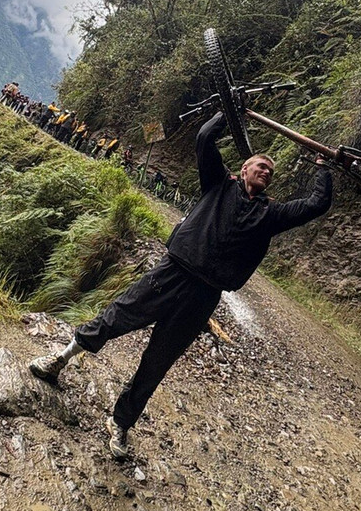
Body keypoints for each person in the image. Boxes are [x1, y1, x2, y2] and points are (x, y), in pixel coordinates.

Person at [28, 111, 333, 459]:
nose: (265, 171)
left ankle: (120, 423)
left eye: (270, 171)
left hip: (205, 296)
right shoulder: (218, 184)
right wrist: (229, 112)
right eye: (259, 165)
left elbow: (315, 204)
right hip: (171, 273)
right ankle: (61, 359)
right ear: (243, 169)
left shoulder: (272, 215)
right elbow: (204, 137)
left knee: (159, 361)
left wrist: (323, 167)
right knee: (116, 317)